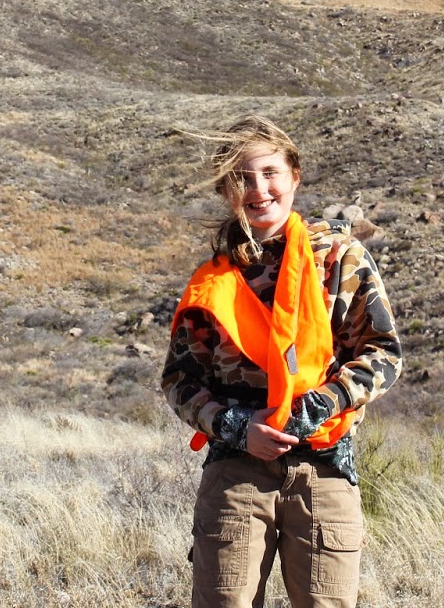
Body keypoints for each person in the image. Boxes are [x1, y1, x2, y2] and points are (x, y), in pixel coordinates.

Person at [161, 115, 402, 608]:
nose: (259, 189)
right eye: (242, 178)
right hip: (236, 473)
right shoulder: (214, 279)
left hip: (324, 471)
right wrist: (234, 425)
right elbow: (179, 381)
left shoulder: (339, 258)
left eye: (269, 173)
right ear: (227, 190)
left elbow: (383, 355)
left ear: (294, 175)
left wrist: (319, 405)